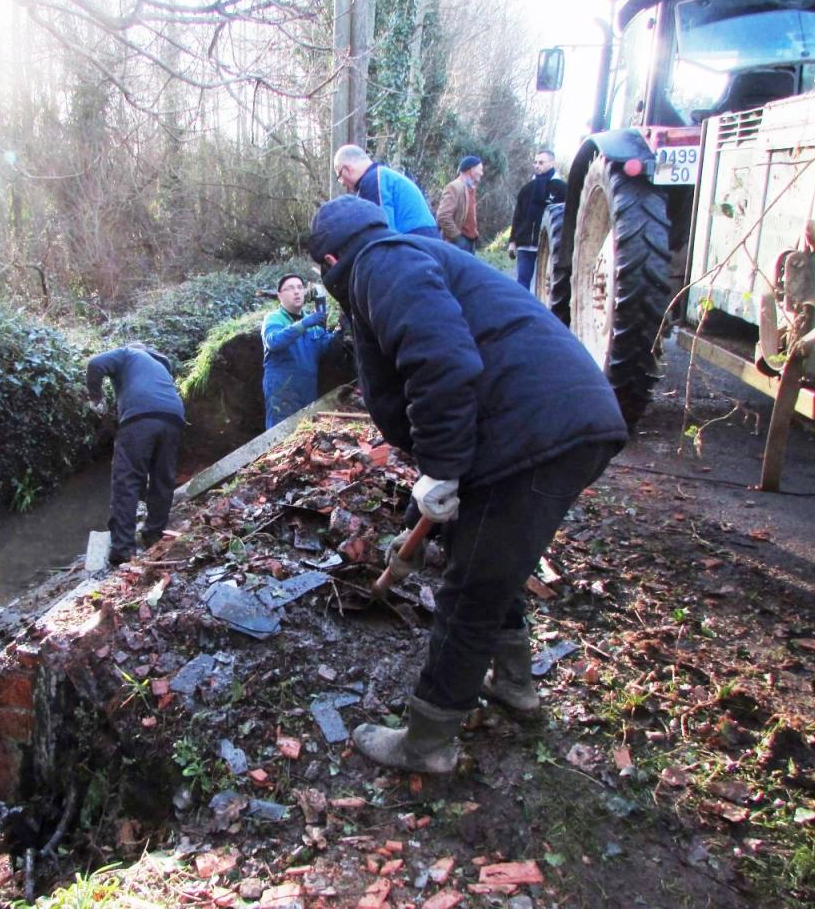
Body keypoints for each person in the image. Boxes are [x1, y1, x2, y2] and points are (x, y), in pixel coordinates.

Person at [307, 195, 627, 774]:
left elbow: (441, 364)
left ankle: (428, 742)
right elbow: (420, 384)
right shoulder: (402, 259)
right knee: (481, 557)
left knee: (471, 590)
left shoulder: (381, 263)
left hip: (536, 430)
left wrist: (447, 466)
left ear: (330, 260)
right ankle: (514, 684)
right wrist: (430, 486)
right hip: (539, 425)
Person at [86, 343, 185, 566]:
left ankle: (123, 548)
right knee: (162, 478)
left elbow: (95, 364)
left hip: (140, 416)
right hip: (173, 416)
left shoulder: (127, 352)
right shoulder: (160, 365)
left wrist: (96, 398)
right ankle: (153, 534)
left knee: (126, 480)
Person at [261, 273, 336, 429]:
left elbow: (325, 348)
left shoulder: (313, 321)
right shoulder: (274, 318)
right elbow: (274, 342)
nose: (296, 291)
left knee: (305, 434)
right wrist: (304, 323)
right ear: (280, 296)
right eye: (290, 288)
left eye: (300, 287)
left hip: (307, 389)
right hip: (282, 391)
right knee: (280, 437)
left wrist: (341, 331)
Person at [333, 144, 440, 238]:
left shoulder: (373, 182)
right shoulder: (383, 176)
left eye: (339, 176)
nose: (342, 183)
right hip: (425, 241)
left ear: (347, 169)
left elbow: (382, 234)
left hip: (416, 245)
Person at [508, 148, 567, 290]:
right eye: (535, 162)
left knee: (547, 286)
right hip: (525, 243)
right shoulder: (527, 189)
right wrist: (513, 241)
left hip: (549, 245)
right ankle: (521, 310)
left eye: (541, 162)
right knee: (522, 282)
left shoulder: (561, 189)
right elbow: (518, 216)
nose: (537, 165)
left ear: (552, 163)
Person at [436, 155, 484, 253]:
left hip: (469, 242)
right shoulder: (454, 187)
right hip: (459, 243)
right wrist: (457, 237)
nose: (482, 173)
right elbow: (443, 216)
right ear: (472, 170)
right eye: (480, 170)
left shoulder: (470, 188)